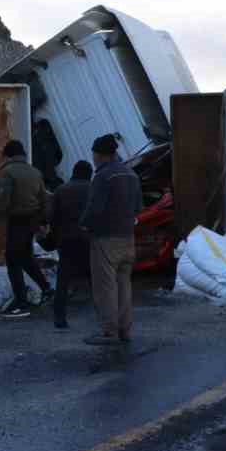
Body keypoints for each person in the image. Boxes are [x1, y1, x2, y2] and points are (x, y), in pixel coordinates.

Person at [80, 134, 141, 346]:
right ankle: (125, 330)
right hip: (128, 238)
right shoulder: (132, 174)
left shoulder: (103, 176)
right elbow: (138, 208)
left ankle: (109, 332)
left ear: (100, 155)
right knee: (124, 284)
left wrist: (84, 224)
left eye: (94, 155)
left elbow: (94, 208)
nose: (93, 159)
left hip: (105, 239)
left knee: (105, 286)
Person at [0, 139, 51, 318]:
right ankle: (47, 289)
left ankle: (21, 301)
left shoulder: (7, 171)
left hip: (17, 220)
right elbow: (44, 198)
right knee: (25, 256)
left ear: (8, 155)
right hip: (33, 220)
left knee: (12, 259)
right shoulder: (35, 172)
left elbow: (5, 197)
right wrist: (42, 221)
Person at [48, 161, 95, 330]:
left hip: (66, 239)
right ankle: (103, 315)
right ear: (89, 174)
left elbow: (52, 218)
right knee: (95, 278)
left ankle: (59, 317)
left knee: (63, 279)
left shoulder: (61, 190)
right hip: (89, 239)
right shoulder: (93, 189)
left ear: (74, 172)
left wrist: (56, 238)